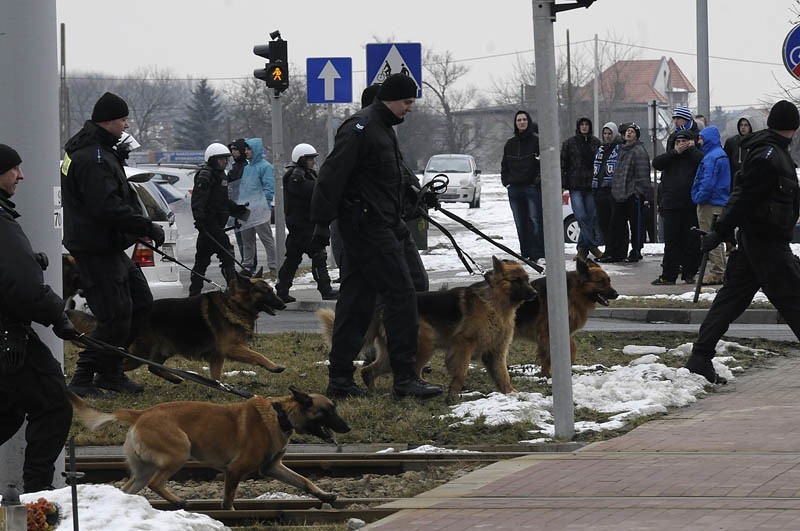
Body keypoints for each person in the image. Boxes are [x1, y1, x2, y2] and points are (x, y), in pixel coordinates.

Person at [310, 73, 443, 400]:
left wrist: (415, 196)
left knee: (356, 303)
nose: (410, 109)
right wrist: (318, 227)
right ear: (392, 98)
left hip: (384, 223)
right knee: (402, 294)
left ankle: (340, 380)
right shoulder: (361, 128)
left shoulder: (382, 129)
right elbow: (330, 177)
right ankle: (405, 379)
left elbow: (386, 178)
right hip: (367, 228)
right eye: (408, 102)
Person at [685, 100, 800, 385]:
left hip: (756, 242)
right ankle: (699, 357)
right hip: (766, 244)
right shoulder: (769, 156)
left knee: (730, 301)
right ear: (794, 128)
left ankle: (700, 356)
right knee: (795, 297)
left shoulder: (772, 151)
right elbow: (743, 198)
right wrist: (720, 232)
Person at [61, 92, 164, 396]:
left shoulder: (101, 152)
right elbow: (104, 207)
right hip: (95, 248)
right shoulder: (92, 157)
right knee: (115, 314)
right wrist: (145, 226)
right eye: (122, 119)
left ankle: (111, 371)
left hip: (109, 245)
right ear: (108, 121)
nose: (126, 124)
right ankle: (83, 378)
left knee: (141, 303)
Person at [0, 144, 77, 492]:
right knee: (53, 403)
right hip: (8, 336)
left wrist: (31, 258)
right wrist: (57, 313)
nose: (21, 175)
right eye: (14, 168)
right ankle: (36, 496)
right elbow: (22, 286)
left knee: (11, 409)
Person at [275, 143, 338, 303]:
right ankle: (326, 290)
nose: (312, 162)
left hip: (303, 226)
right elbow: (307, 190)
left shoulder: (307, 174)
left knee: (293, 259)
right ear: (301, 159)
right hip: (302, 226)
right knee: (318, 256)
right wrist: (324, 183)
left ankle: (282, 290)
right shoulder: (296, 176)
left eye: (313, 159)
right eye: (309, 159)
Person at [188, 143, 249, 296]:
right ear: (212, 159)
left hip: (216, 224)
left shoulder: (221, 175)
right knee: (227, 254)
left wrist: (237, 209)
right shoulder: (206, 175)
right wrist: (199, 220)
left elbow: (222, 201)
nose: (224, 162)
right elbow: (198, 199)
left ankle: (194, 294)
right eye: (221, 159)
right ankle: (234, 292)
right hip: (209, 224)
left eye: (225, 159)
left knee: (202, 261)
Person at [650, 130, 704, 285]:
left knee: (691, 242)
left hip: (690, 205)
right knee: (672, 243)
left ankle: (689, 273)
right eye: (677, 141)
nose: (681, 144)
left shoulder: (694, 156)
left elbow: (703, 161)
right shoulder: (670, 157)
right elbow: (656, 163)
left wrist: (691, 148)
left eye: (683, 141)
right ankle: (668, 275)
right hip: (671, 206)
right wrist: (675, 151)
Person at [601, 123, 651, 263]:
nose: (628, 133)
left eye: (632, 132)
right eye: (627, 131)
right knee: (617, 225)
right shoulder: (622, 150)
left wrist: (640, 192)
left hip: (632, 193)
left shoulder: (639, 151)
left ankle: (636, 251)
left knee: (636, 225)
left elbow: (642, 174)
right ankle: (615, 251)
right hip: (619, 192)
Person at [501, 110, 544, 264]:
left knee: (535, 221)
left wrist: (536, 181)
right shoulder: (510, 144)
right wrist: (506, 181)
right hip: (514, 189)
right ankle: (525, 254)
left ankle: (538, 254)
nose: (522, 122)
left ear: (529, 121)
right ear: (515, 123)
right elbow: (504, 165)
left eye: (524, 119)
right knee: (520, 223)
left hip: (531, 188)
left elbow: (542, 165)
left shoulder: (537, 142)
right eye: (519, 120)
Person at [691, 125, 731, 285]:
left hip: (709, 202)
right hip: (719, 201)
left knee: (709, 236)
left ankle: (717, 272)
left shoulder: (711, 158)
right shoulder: (720, 154)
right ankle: (721, 269)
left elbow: (707, 181)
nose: (699, 141)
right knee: (716, 237)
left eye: (701, 138)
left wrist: (698, 197)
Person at [561, 117, 602, 261]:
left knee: (590, 217)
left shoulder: (596, 143)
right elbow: (563, 164)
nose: (584, 127)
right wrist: (563, 183)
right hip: (575, 185)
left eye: (586, 124)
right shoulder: (569, 143)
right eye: (582, 124)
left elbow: (600, 163)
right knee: (580, 216)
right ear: (578, 126)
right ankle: (593, 247)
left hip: (591, 185)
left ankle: (582, 250)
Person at [238, 138, 278, 276]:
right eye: (246, 149)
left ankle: (274, 266)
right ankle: (247, 266)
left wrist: (263, 206)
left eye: (249, 149)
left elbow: (269, 188)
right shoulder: (247, 168)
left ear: (255, 150)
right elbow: (244, 188)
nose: (246, 152)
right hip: (247, 210)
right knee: (247, 240)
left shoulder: (265, 167)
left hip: (259, 209)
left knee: (266, 239)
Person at [592, 122, 622, 255]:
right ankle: (608, 250)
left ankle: (614, 250)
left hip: (612, 190)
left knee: (614, 223)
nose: (607, 136)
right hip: (600, 190)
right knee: (603, 222)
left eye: (610, 133)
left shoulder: (619, 149)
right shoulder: (601, 149)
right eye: (605, 133)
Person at [227, 138, 250, 260]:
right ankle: (245, 261)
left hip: (244, 205)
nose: (233, 152)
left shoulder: (247, 167)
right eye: (232, 150)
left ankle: (249, 263)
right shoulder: (233, 167)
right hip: (234, 205)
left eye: (235, 149)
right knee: (239, 239)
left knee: (247, 240)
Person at [723, 115, 754, 186]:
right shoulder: (732, 142)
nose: (743, 127)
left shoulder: (755, 142)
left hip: (750, 179)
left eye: (746, 125)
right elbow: (727, 161)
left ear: (751, 126)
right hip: (735, 179)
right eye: (741, 125)